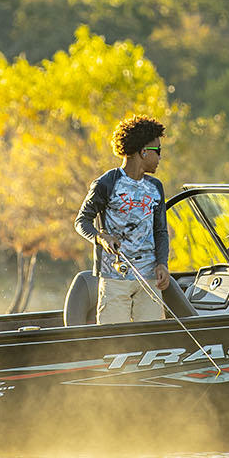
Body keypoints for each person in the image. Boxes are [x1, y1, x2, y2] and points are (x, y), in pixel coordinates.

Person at [74, 114, 170, 324]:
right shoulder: (106, 184)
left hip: (150, 279)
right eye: (158, 151)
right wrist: (100, 238)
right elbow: (81, 221)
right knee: (113, 338)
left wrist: (162, 264)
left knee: (152, 336)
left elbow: (160, 231)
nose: (160, 157)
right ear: (143, 152)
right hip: (114, 279)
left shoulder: (156, 187)